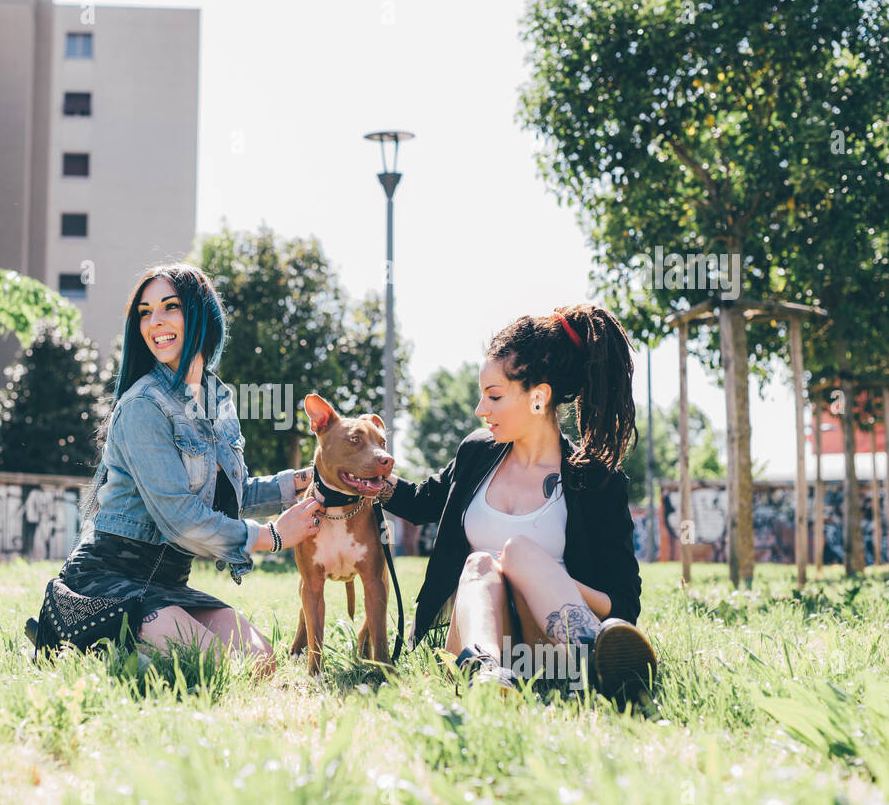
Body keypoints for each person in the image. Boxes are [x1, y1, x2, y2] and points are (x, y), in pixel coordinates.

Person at [378, 304, 657, 702]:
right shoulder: (476, 454)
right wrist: (371, 482)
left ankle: (597, 658)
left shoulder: (596, 481)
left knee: (519, 553)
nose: (481, 410)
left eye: (494, 396)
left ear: (539, 398)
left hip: (551, 645)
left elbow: (624, 603)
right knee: (480, 563)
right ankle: (486, 674)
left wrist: (529, 573)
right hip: (482, 637)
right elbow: (423, 502)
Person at [61, 264, 324, 677]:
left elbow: (222, 496)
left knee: (260, 663)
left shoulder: (218, 399)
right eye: (145, 312)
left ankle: (138, 649)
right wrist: (272, 537)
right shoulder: (142, 406)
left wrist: (293, 484)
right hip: (107, 581)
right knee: (216, 667)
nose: (156, 322)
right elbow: (182, 519)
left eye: (170, 307)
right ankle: (82, 641)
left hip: (168, 583)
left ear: (201, 315)